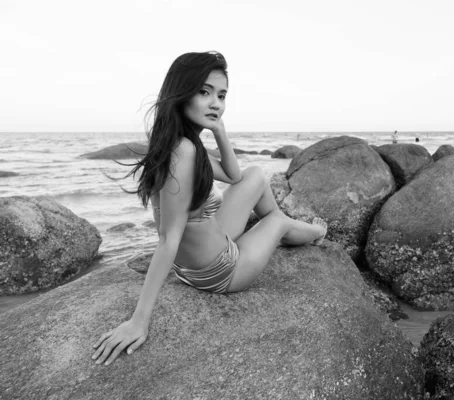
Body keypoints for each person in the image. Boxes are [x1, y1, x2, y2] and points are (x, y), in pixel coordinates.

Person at [92, 51, 327, 366]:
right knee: (279, 220)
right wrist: (139, 320)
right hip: (220, 272)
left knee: (257, 174)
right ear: (181, 93)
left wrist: (219, 130)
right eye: (204, 92)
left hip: (211, 247)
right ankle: (316, 232)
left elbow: (234, 176)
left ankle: (277, 229)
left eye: (221, 95)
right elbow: (168, 239)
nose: (216, 103)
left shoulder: (181, 143)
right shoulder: (183, 152)